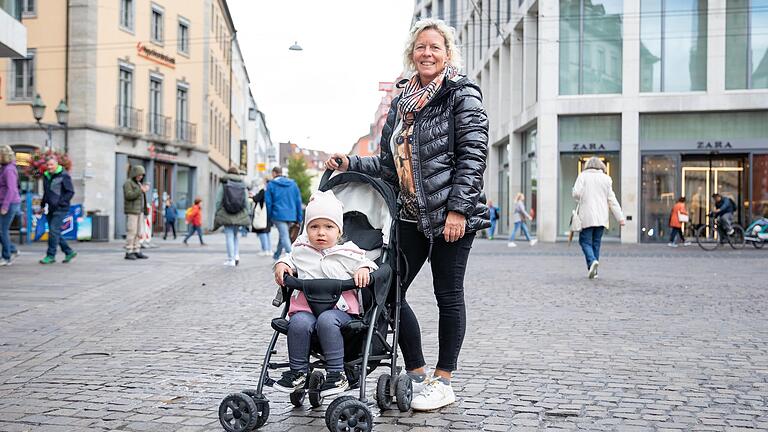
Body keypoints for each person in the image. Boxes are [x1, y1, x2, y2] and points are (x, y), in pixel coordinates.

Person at [325, 18, 489, 411]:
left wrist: (458, 210)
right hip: (411, 216)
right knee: (387, 289)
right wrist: (349, 161)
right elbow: (387, 163)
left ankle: (444, 379)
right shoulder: (402, 103)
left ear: (448, 53)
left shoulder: (461, 94)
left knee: (447, 295)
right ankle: (416, 374)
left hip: (451, 218)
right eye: (420, 47)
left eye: (435, 47)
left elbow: (473, 156)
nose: (427, 53)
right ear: (411, 54)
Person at [272, 190, 377, 398]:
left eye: (328, 227)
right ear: (306, 230)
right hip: (306, 308)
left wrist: (363, 269)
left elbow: (367, 262)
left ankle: (337, 373)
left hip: (340, 311)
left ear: (338, 231)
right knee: (298, 323)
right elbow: (290, 259)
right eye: (314, 227)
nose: (321, 232)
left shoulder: (348, 252)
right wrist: (282, 264)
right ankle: (298, 372)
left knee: (327, 321)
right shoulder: (301, 250)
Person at [572, 157, 625, 279]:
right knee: (596, 243)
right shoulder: (606, 179)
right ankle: (594, 271)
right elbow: (612, 200)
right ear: (601, 166)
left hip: (587, 216)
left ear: (587, 166)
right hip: (601, 217)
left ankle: (592, 262)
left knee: (584, 241)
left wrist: (574, 192)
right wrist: (620, 217)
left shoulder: (583, 176)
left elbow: (576, 194)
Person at [39, 156, 77, 264]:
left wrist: (61, 202)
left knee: (53, 231)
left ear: (56, 165)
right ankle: (69, 251)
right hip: (50, 208)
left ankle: (50, 255)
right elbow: (46, 193)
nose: (49, 167)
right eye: (48, 165)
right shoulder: (46, 176)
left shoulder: (64, 175)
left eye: (51, 165)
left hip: (61, 208)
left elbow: (70, 192)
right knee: (54, 232)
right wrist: (42, 206)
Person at [213, 167, 251, 266]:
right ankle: (236, 255)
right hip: (239, 213)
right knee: (235, 235)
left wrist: (218, 211)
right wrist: (248, 212)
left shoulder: (224, 182)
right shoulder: (242, 184)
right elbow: (246, 201)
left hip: (226, 212)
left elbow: (218, 199)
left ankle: (231, 259)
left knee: (229, 236)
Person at [265, 166, 303, 261]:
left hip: (278, 214)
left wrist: (269, 217)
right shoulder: (293, 184)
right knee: (284, 234)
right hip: (291, 215)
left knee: (284, 235)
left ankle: (292, 258)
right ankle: (276, 255)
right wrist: (299, 218)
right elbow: (298, 201)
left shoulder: (271, 185)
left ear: (274, 173)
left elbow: (268, 203)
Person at [123, 165, 150, 260]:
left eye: (142, 175)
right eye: (139, 175)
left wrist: (145, 210)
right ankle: (129, 251)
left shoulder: (139, 184)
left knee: (139, 232)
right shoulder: (128, 183)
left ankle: (136, 249)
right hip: (132, 211)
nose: (140, 177)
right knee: (132, 231)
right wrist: (141, 190)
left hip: (140, 211)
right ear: (134, 174)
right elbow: (129, 196)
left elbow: (143, 199)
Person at [0, 145, 21, 266]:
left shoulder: (9, 170)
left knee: (3, 230)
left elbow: (12, 189)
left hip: (10, 203)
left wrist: (5, 206)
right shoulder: (3, 168)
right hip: (3, 202)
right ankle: (12, 249)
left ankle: (6, 257)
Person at [252, 180, 273, 257]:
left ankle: (265, 249)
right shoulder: (271, 191)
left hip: (262, 215)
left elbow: (256, 199)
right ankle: (269, 249)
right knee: (267, 233)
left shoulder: (263, 191)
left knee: (262, 232)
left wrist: (253, 196)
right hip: (269, 214)